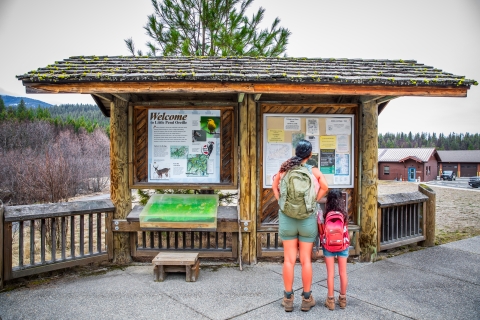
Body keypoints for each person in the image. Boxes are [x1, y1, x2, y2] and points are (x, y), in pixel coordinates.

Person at [272, 140, 328, 312]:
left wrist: (282, 203)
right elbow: (325, 187)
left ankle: (288, 299)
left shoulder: (283, 170)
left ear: (296, 152)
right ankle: (306, 298)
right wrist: (313, 201)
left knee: (289, 260)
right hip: (307, 219)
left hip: (287, 218)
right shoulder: (314, 171)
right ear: (310, 155)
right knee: (305, 260)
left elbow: (274, 186)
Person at [322, 189, 349, 311]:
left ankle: (331, 300)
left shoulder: (326, 214)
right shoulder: (344, 214)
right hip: (342, 245)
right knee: (342, 273)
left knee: (330, 274)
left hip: (329, 246)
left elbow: (323, 231)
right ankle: (342, 299)